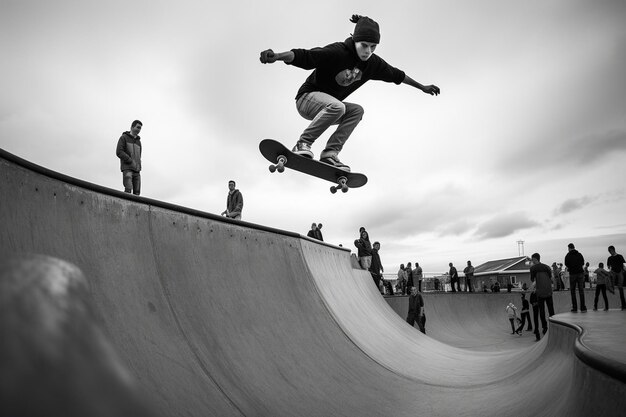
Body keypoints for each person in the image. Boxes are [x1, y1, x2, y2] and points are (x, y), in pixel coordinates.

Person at [259, 14, 440, 172]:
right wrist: (277, 56)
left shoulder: (373, 64)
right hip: (306, 99)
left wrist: (422, 86)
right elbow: (306, 56)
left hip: (328, 110)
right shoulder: (338, 51)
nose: (368, 51)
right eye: (364, 45)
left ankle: (330, 153)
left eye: (373, 47)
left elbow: (397, 75)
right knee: (337, 106)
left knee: (356, 110)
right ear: (354, 40)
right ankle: (303, 143)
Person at [530, 252, 554, 339]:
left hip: (540, 292)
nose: (532, 262)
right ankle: (554, 325)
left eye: (532, 260)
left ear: (535, 259)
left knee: (542, 311)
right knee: (551, 309)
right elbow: (551, 279)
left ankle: (544, 327)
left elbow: (533, 280)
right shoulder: (547, 267)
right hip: (548, 291)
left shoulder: (533, 268)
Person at [116, 120, 143, 195]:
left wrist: (139, 165)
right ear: (132, 127)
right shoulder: (123, 138)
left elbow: (139, 156)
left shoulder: (139, 142)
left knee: (137, 193)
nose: (139, 129)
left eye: (140, 128)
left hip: (137, 171)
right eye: (138, 127)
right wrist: (129, 160)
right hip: (127, 169)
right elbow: (119, 152)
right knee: (128, 190)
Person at [564, 243, 586, 312]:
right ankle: (583, 308)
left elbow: (566, 264)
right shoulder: (579, 254)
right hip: (580, 273)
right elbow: (582, 263)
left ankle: (575, 308)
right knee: (581, 291)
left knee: (573, 291)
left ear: (569, 248)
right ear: (574, 247)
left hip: (573, 274)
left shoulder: (568, 255)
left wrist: (571, 267)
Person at [607, 245, 626, 310]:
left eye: (610, 251)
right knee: (610, 276)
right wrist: (609, 269)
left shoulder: (620, 256)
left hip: (619, 272)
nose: (609, 252)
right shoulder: (609, 258)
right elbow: (609, 267)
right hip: (613, 272)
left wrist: (624, 270)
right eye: (609, 251)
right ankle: (611, 287)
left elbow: (623, 265)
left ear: (613, 250)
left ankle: (624, 305)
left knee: (620, 288)